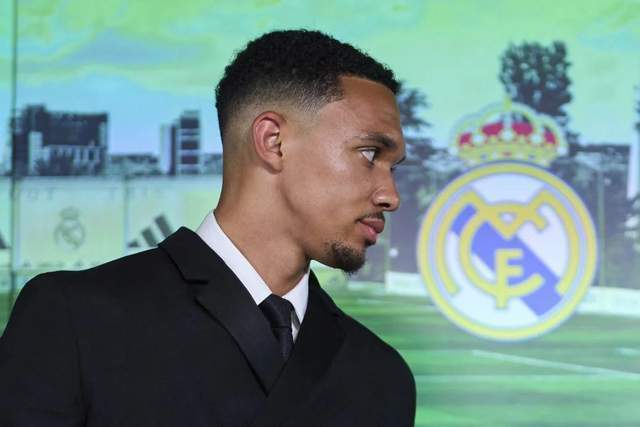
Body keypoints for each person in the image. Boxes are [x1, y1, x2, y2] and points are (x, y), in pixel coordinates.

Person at [0, 29, 415, 426]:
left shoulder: (382, 377)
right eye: (369, 153)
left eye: (393, 167)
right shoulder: (74, 320)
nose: (391, 195)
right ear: (273, 141)